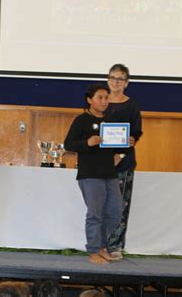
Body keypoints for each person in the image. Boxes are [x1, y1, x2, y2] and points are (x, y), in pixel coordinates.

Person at [64, 84, 132, 264]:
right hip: (90, 175)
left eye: (106, 98)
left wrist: (126, 144)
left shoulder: (111, 120)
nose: (104, 101)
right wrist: (88, 142)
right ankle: (94, 251)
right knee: (95, 214)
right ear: (89, 100)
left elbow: (118, 145)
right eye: (100, 97)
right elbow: (69, 144)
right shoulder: (81, 120)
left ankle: (101, 246)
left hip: (110, 174)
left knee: (115, 213)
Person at [105, 64, 143, 260]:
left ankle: (116, 245)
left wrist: (120, 154)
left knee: (120, 205)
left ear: (126, 83)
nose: (115, 82)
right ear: (107, 79)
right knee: (99, 205)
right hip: (100, 163)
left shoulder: (132, 105)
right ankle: (99, 244)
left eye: (120, 79)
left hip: (124, 163)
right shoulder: (99, 102)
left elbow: (135, 133)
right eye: (112, 77)